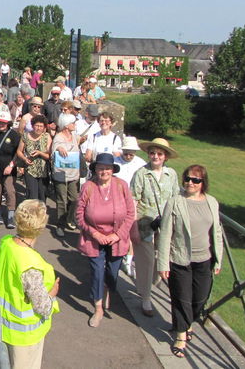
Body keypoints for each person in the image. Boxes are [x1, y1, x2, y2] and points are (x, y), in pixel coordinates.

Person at [157, 165, 223, 358]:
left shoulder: (212, 202)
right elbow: (165, 234)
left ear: (203, 183)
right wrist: (163, 263)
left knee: (199, 298)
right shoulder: (175, 202)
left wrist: (218, 260)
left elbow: (217, 232)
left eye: (195, 180)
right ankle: (180, 335)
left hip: (205, 259)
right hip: (180, 259)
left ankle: (186, 323)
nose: (190, 183)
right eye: (187, 179)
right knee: (182, 298)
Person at [0, 200, 60, 368]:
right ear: (41, 226)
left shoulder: (7, 244)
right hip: (25, 335)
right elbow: (43, 307)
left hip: (5, 325)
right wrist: (52, 293)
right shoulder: (30, 264)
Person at [75, 153, 135, 327]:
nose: (104, 171)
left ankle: (107, 288)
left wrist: (118, 235)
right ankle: (98, 307)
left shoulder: (122, 186)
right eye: (100, 168)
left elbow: (130, 214)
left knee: (112, 273)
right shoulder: (88, 187)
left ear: (112, 170)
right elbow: (79, 215)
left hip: (117, 238)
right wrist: (94, 233)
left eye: (107, 168)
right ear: (95, 169)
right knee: (97, 273)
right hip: (94, 237)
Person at [130, 137, 179, 317]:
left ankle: (146, 286)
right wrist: (133, 227)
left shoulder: (171, 174)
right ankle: (146, 298)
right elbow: (133, 200)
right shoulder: (141, 173)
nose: (155, 156)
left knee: (162, 260)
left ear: (165, 156)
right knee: (147, 261)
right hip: (144, 223)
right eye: (152, 153)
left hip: (165, 224)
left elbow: (175, 200)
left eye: (159, 153)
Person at [113, 136, 146, 277]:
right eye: (126, 153)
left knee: (131, 229)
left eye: (131, 153)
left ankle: (128, 259)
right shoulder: (115, 162)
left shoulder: (141, 165)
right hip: (116, 201)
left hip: (133, 201)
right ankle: (116, 253)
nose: (128, 156)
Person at [50, 113, 80, 237]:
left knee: (74, 199)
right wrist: (59, 148)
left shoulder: (73, 136)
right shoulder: (58, 137)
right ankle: (60, 225)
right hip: (61, 173)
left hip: (73, 173)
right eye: (73, 123)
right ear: (66, 125)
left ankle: (69, 218)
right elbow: (54, 150)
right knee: (61, 199)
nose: (75, 125)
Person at [17, 115, 52, 202]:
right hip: (30, 169)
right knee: (33, 196)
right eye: (37, 126)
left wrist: (40, 153)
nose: (39, 128)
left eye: (41, 126)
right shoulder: (25, 136)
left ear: (44, 127)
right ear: (32, 126)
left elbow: (49, 155)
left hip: (43, 171)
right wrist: (25, 159)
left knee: (42, 196)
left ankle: (41, 214)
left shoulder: (47, 136)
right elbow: (19, 151)